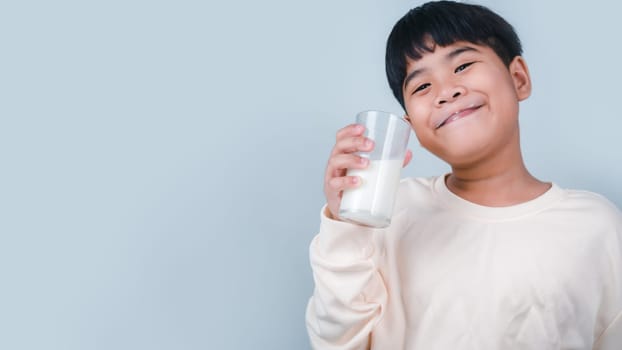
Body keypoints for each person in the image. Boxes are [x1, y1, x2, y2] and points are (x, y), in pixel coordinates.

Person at [305, 1, 622, 349]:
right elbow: (338, 342)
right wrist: (346, 224)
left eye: (464, 65)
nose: (445, 92)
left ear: (518, 78)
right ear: (410, 127)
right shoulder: (388, 215)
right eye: (421, 87)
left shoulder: (596, 226)